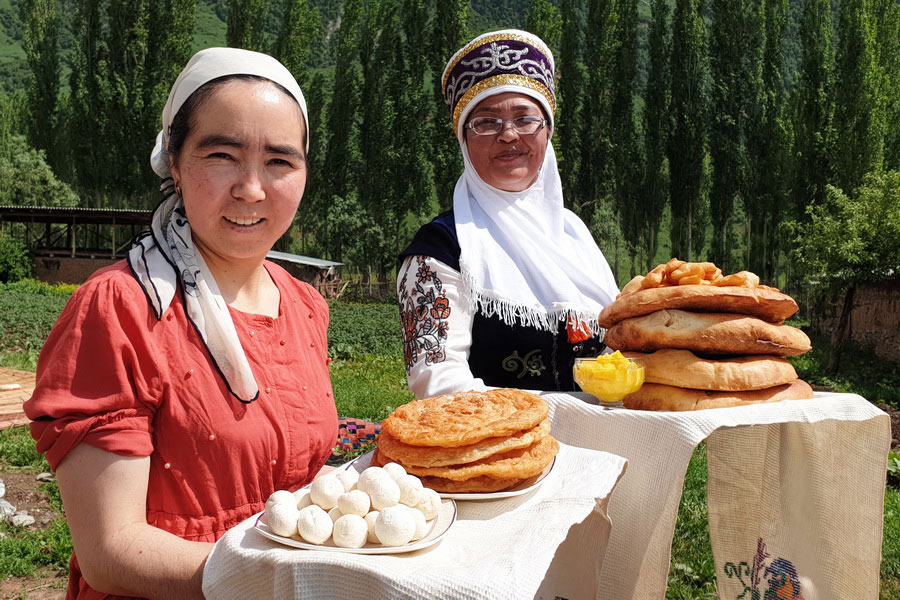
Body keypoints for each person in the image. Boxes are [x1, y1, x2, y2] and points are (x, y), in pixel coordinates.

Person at [24, 48, 337, 600]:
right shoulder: (121, 309)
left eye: (280, 162)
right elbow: (111, 553)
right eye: (222, 154)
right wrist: (288, 579)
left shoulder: (306, 306)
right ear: (174, 157)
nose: (251, 188)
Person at [398, 30, 620, 399]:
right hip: (499, 448)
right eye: (485, 122)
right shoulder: (440, 248)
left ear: (547, 132)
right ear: (464, 141)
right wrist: (560, 419)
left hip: (608, 440)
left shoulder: (573, 234)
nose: (508, 134)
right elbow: (436, 381)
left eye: (525, 118)